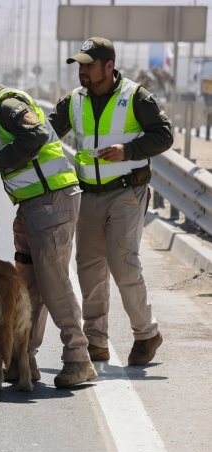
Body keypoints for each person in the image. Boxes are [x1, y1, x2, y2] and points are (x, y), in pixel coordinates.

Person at [0, 68, 95, 388]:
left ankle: (78, 358)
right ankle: (21, 358)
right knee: (28, 286)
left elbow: (37, 135)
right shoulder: (0, 109)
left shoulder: (5, 104)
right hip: (33, 205)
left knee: (54, 283)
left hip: (51, 201)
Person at [49, 37, 173, 366]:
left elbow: (165, 135)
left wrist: (127, 151)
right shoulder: (73, 101)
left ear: (109, 66)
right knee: (88, 269)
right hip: (88, 194)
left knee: (123, 263)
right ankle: (96, 342)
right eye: (80, 65)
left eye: (89, 65)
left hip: (126, 192)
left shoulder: (136, 96)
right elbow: (47, 134)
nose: (83, 71)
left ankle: (147, 334)